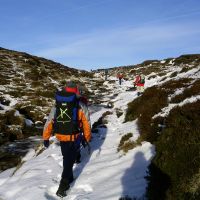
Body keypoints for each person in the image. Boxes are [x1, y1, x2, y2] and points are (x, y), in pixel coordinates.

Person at [43, 82, 91, 198]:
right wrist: (87, 138)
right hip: (74, 136)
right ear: (76, 91)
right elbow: (86, 123)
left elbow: (49, 122)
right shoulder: (80, 105)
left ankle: (69, 177)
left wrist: (46, 137)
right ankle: (63, 185)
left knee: (67, 157)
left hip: (61, 135)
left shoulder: (57, 105)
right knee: (68, 159)